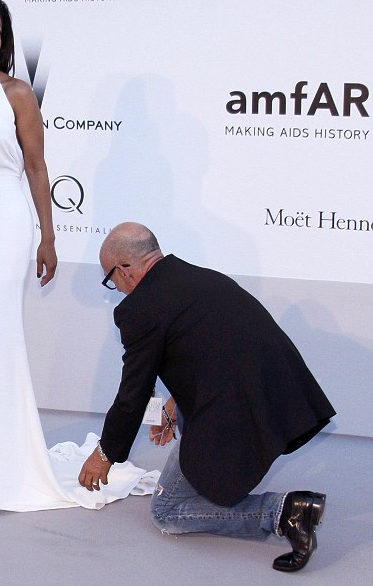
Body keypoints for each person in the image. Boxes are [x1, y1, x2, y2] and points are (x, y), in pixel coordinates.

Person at [0, 0, 155, 511]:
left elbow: (36, 168)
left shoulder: (18, 94)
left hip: (6, 223)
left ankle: (7, 464)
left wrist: (47, 236)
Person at [79, 222, 336, 572]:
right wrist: (175, 404)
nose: (117, 289)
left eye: (110, 279)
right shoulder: (196, 276)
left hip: (238, 405)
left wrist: (105, 453)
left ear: (124, 271)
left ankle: (287, 512)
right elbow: (209, 347)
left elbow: (132, 394)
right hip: (278, 389)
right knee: (189, 437)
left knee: (168, 512)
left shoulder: (140, 308)